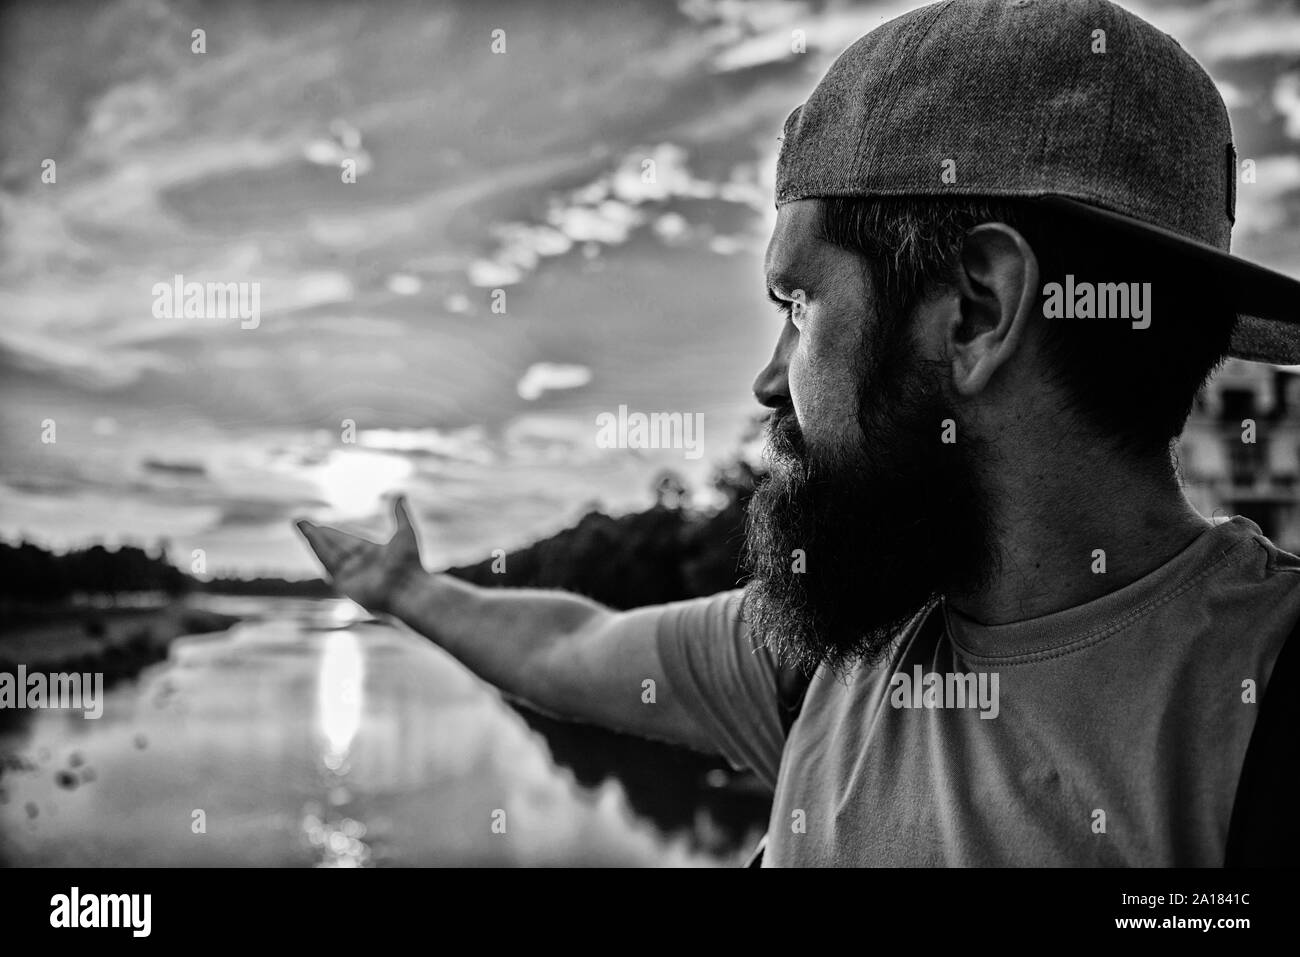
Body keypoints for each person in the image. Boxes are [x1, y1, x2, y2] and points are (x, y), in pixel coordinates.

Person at [297, 0, 1300, 866]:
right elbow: (573, 645)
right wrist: (401, 591)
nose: (769, 378)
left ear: (976, 312)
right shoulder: (835, 654)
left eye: (799, 303)